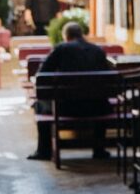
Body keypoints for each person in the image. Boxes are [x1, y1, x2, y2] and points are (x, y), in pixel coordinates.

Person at [27, 21, 112, 161]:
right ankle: (99, 150)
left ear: (66, 37)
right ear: (82, 35)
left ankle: (44, 151)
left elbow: (42, 75)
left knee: (39, 105)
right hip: (98, 108)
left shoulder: (61, 49)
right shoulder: (98, 51)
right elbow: (108, 79)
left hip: (67, 108)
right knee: (98, 99)